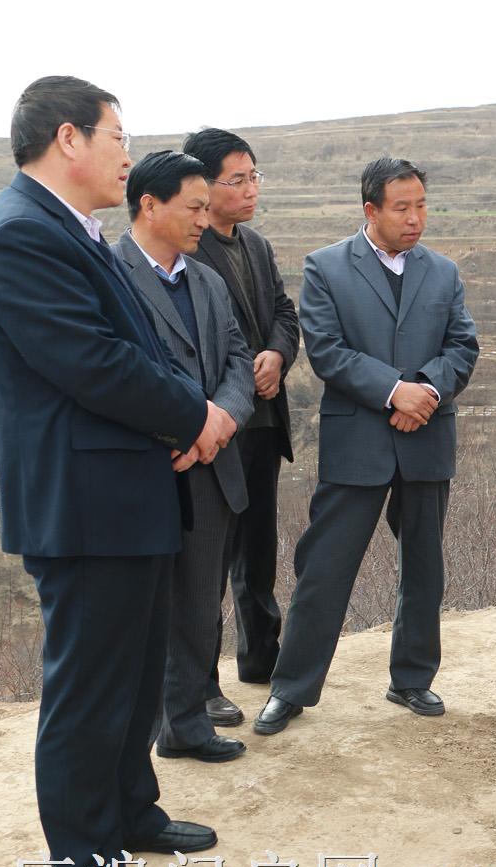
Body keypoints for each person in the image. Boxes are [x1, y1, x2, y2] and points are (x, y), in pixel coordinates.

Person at [0, 76, 233, 867]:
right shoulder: (19, 234)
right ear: (69, 139)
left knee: (132, 675)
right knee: (87, 694)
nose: (127, 153)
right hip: (84, 505)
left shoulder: (67, 228)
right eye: (118, 135)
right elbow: (94, 363)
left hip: (127, 492)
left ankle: (130, 812)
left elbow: (135, 349)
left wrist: (181, 418)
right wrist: (194, 414)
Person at [253, 157, 478, 734]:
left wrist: (425, 392)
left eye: (421, 205)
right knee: (325, 567)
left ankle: (412, 678)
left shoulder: (443, 272)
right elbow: (327, 350)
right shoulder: (327, 266)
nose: (415, 218)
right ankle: (291, 688)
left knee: (424, 567)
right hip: (358, 443)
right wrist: (395, 392)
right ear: (371, 209)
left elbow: (462, 346)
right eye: (402, 208)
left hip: (427, 435)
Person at [113, 150, 256, 764]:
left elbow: (237, 361)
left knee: (199, 607)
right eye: (194, 207)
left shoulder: (207, 280)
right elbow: (119, 371)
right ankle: (133, 739)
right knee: (138, 617)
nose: (205, 219)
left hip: (210, 464)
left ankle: (186, 724)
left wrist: (219, 421)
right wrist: (188, 426)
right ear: (149, 205)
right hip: (147, 467)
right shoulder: (109, 274)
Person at [182, 128, 300, 724]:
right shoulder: (188, 250)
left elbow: (283, 311)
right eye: (238, 179)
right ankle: (201, 682)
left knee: (258, 552)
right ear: (204, 185)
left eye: (255, 177)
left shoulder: (255, 245)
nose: (252, 189)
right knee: (207, 560)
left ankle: (260, 657)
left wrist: (277, 354)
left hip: (263, 423)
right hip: (216, 425)